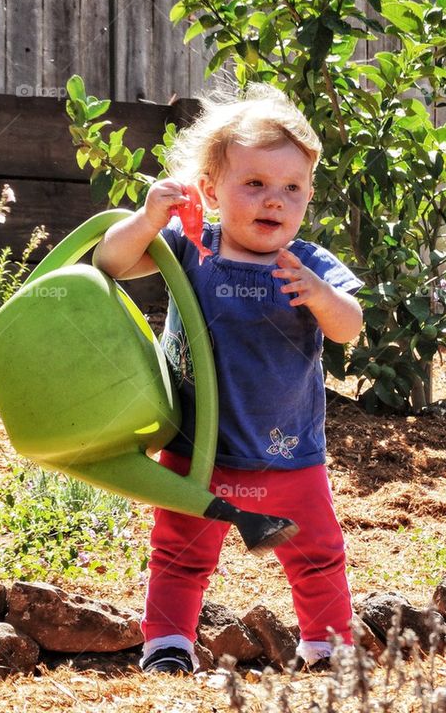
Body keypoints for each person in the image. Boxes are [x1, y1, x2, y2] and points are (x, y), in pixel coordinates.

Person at [93, 84, 364, 674]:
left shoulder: (309, 264)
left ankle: (328, 647)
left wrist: (321, 299)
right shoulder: (191, 245)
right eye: (255, 184)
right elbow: (110, 264)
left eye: (291, 188)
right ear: (211, 190)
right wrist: (146, 218)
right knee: (181, 553)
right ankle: (167, 644)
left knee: (317, 554)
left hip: (289, 451)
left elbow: (349, 328)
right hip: (200, 451)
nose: (274, 201)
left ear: (308, 196)